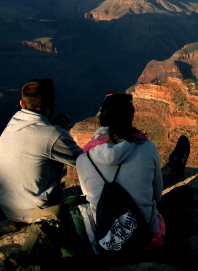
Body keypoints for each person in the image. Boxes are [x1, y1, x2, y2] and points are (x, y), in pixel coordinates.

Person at [76, 93, 189, 250]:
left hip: (107, 241)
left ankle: (172, 168)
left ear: (102, 120)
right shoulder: (148, 148)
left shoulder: (83, 159)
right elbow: (156, 197)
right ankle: (173, 167)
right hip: (146, 238)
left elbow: (90, 197)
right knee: (183, 194)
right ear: (130, 118)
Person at [0, 78, 84, 223]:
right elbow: (89, 165)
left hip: (9, 210)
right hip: (38, 210)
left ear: (22, 104)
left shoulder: (9, 128)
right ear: (54, 102)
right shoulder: (53, 135)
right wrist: (62, 134)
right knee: (99, 189)